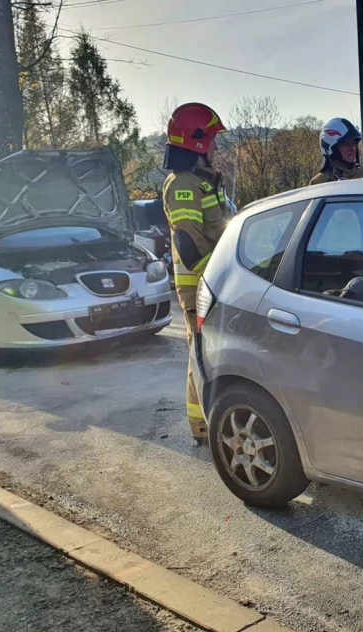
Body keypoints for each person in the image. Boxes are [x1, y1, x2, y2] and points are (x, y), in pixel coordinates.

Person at [161, 102, 232, 444]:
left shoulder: (202, 182)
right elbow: (189, 242)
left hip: (210, 282)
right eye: (213, 139)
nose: (216, 146)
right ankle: (201, 427)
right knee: (201, 354)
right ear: (197, 142)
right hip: (200, 286)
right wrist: (216, 279)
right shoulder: (184, 185)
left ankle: (204, 421)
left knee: (209, 352)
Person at [309, 118, 363, 185]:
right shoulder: (319, 183)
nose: (352, 148)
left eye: (353, 143)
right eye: (346, 143)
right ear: (332, 148)